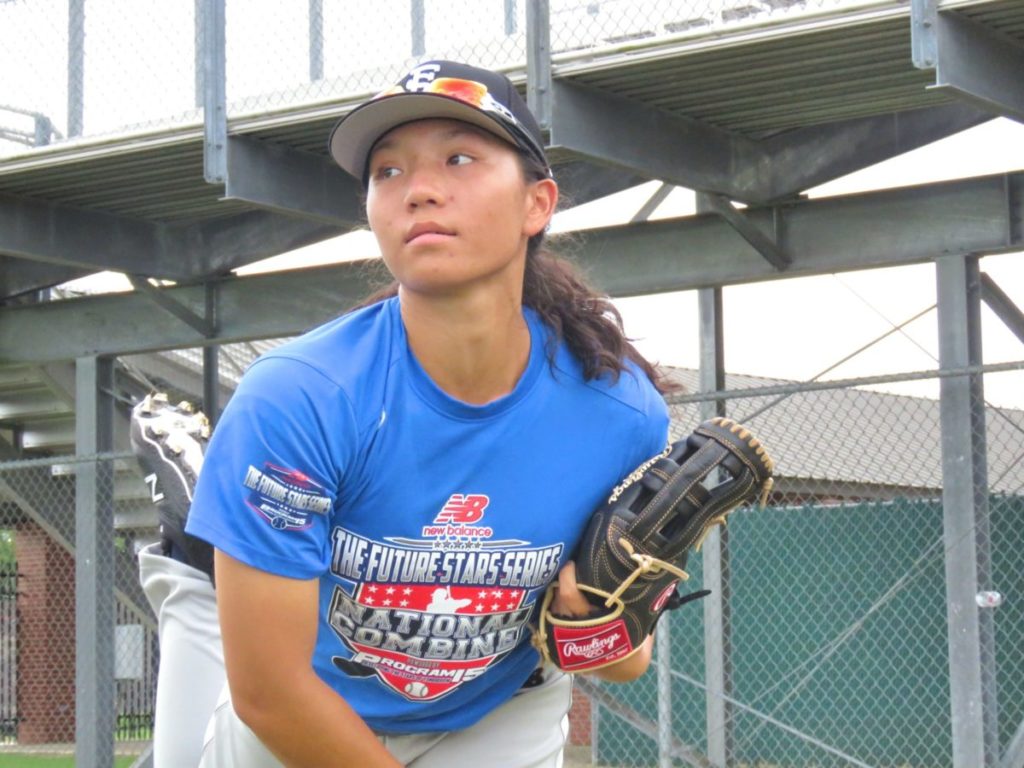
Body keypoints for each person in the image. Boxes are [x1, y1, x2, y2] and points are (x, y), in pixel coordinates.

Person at [136, 59, 676, 767]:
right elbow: (269, 693)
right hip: (309, 695)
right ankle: (203, 543)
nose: (419, 190)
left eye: (459, 158)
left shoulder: (618, 412)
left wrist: (591, 623)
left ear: (536, 204)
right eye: (387, 172)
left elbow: (624, 665)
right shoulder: (301, 395)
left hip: (493, 707)